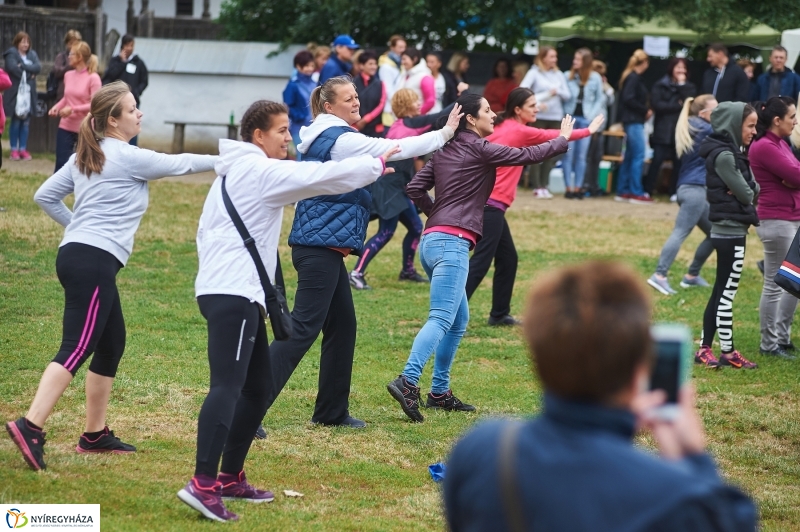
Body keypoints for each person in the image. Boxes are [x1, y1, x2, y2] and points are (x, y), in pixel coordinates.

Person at [180, 100, 395, 522]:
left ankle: (230, 476)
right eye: (280, 130)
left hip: (237, 292)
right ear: (258, 135)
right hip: (232, 293)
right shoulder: (259, 170)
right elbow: (317, 177)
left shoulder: (239, 170)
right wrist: (374, 163)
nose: (288, 137)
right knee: (227, 387)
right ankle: (202, 484)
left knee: (257, 387)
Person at [444, 261, 758, 532]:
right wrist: (694, 457)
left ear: (538, 356)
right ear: (639, 368)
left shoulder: (481, 450)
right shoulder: (674, 497)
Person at [4, 81, 216, 472]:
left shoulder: (88, 154)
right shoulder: (125, 155)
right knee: (77, 346)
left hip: (79, 255)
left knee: (111, 342)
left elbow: (44, 196)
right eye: (132, 109)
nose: (139, 114)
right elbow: (181, 163)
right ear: (114, 121)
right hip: (93, 259)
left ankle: (94, 435)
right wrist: (229, 159)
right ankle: (30, 425)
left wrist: (77, 228)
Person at [259, 76, 461, 430]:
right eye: (348, 98)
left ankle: (331, 412)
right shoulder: (340, 139)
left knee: (343, 326)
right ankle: (247, 409)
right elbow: (396, 145)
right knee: (301, 329)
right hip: (318, 249)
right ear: (328, 106)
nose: (356, 102)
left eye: (356, 96)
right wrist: (444, 133)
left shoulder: (327, 135)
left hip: (324, 248)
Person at [386, 93, 573, 423]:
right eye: (487, 110)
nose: (493, 115)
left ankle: (439, 392)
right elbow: (526, 154)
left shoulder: (443, 152)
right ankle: (408, 380)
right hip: (452, 243)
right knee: (441, 318)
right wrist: (562, 139)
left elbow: (415, 188)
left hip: (432, 243)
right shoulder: (479, 148)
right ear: (471, 119)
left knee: (458, 321)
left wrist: (436, 214)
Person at [466, 88, 602, 326]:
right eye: (532, 105)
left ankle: (499, 314)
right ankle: (449, 317)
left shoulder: (502, 125)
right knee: (481, 262)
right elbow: (549, 135)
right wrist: (587, 131)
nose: (537, 109)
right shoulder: (518, 130)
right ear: (518, 109)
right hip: (490, 204)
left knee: (508, 258)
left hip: (487, 203)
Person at [350, 89, 456, 289]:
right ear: (406, 106)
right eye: (415, 101)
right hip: (389, 187)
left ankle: (407, 270)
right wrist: (463, 98)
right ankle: (356, 273)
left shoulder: (401, 125)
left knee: (415, 227)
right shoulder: (409, 123)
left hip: (400, 187)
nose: (419, 104)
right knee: (386, 231)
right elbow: (440, 116)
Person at [694, 101, 760, 369]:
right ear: (734, 124)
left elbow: (751, 189)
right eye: (750, 126)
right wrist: (746, 189)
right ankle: (728, 352)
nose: (754, 131)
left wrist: (747, 188)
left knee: (720, 290)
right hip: (730, 231)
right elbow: (748, 194)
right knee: (726, 293)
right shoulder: (725, 156)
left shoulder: (734, 152)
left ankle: (704, 348)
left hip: (730, 230)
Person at [647, 95, 718, 295]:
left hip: (691, 189)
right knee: (680, 232)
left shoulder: (695, 125)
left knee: (715, 233)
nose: (720, 114)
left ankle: (692, 276)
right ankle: (659, 275)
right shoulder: (705, 128)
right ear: (703, 113)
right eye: (716, 110)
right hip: (694, 190)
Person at [749, 96, 800, 359]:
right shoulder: (765, 146)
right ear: (777, 120)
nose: (796, 122)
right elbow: (796, 175)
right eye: (792, 117)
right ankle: (769, 344)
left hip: (789, 217)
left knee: (793, 281)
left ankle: (782, 338)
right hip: (777, 221)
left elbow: (795, 175)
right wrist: (793, 178)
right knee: (774, 284)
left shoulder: (780, 143)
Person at [520, 46, 571, 198]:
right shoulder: (534, 72)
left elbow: (567, 95)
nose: (555, 60)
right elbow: (523, 90)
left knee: (552, 152)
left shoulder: (558, 74)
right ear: (543, 58)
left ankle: (545, 184)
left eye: (555, 56)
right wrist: (537, 102)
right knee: (537, 151)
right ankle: (536, 185)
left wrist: (557, 91)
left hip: (555, 117)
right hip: (539, 116)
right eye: (552, 57)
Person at [645, 58, 697, 197]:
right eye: (678, 67)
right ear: (672, 68)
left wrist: (682, 85)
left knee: (678, 162)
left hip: (680, 129)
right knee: (657, 161)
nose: (681, 71)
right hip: (662, 129)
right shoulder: (660, 85)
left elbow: (689, 104)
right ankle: (648, 190)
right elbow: (657, 105)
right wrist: (677, 105)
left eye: (683, 68)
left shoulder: (689, 87)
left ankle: (674, 191)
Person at [49, 41, 102, 172]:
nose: (68, 56)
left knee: (85, 165)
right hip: (66, 125)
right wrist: (57, 107)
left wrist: (72, 109)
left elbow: (95, 105)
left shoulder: (93, 78)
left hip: (86, 127)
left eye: (71, 54)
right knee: (61, 163)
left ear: (79, 57)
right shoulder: (68, 75)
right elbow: (67, 98)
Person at [562, 48, 604, 199]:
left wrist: (591, 116)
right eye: (575, 59)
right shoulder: (567, 76)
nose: (574, 62)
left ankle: (578, 188)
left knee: (581, 156)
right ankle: (568, 188)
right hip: (570, 118)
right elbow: (562, 96)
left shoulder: (595, 78)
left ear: (585, 62)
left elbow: (599, 98)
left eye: (578, 59)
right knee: (568, 154)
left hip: (586, 119)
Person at [615, 49, 652, 204]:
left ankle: (623, 190)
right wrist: (645, 110)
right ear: (645, 63)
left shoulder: (629, 76)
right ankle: (636, 191)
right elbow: (629, 98)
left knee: (630, 156)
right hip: (634, 120)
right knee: (638, 155)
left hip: (630, 120)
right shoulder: (634, 78)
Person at [101, 34, 149, 146]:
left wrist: (137, 92)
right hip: (117, 102)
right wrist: (122, 62)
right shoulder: (115, 61)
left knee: (133, 126)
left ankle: (132, 149)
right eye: (127, 45)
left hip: (133, 101)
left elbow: (144, 81)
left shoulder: (138, 63)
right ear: (122, 46)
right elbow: (109, 76)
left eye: (131, 45)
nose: (129, 48)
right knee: (118, 127)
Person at [3, 32, 41, 162]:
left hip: (29, 94)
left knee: (25, 122)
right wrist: (29, 74)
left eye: (27, 42)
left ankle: (23, 149)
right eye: (23, 42)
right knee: (16, 121)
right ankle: (14, 149)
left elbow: (38, 67)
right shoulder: (11, 54)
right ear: (17, 42)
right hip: (15, 93)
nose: (25, 44)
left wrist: (23, 66)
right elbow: (13, 68)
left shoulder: (32, 54)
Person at [583, 59, 614, 196]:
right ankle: (585, 185)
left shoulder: (603, 87)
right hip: (590, 125)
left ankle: (594, 185)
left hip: (601, 127)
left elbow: (611, 100)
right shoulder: (589, 85)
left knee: (597, 157)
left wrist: (605, 85)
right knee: (588, 157)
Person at [283, 50, 317, 159]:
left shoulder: (314, 83)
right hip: (298, 127)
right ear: (298, 66)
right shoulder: (293, 85)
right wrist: (299, 116)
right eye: (306, 66)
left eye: (312, 65)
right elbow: (287, 107)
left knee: (313, 156)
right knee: (302, 156)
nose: (310, 68)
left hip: (314, 126)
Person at [353, 51, 386, 137]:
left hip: (375, 128)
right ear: (361, 65)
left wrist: (366, 119)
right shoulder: (352, 83)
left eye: (375, 64)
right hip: (356, 127)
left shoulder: (380, 84)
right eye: (370, 64)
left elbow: (381, 104)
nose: (374, 67)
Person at [379, 35, 407, 126]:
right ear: (392, 47)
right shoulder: (385, 66)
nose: (403, 50)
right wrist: (399, 104)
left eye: (404, 47)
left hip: (400, 110)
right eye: (400, 47)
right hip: (390, 111)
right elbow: (388, 90)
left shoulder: (401, 65)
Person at [401, 48, 435, 115]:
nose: (402, 62)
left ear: (414, 59)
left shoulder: (424, 76)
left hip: (419, 118)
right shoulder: (405, 74)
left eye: (404, 59)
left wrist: (416, 115)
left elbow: (430, 101)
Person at [52, 30, 82, 102]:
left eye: (76, 43)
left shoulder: (82, 57)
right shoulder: (61, 56)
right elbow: (57, 71)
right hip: (64, 92)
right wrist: (70, 66)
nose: (73, 46)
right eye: (71, 43)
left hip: (79, 92)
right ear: (67, 44)